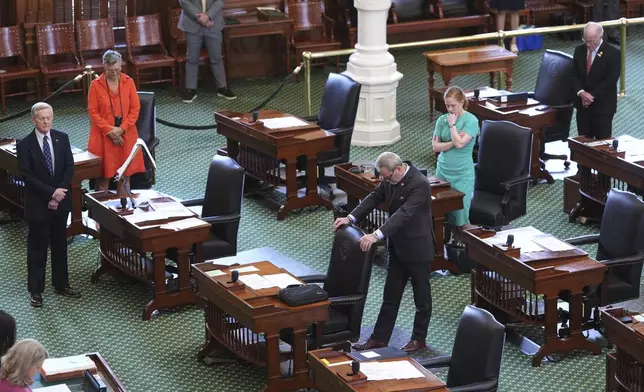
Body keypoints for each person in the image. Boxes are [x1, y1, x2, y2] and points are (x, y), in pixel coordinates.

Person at [333, 152, 434, 354]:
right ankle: (379, 338)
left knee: (421, 298)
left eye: (386, 177)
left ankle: (418, 338)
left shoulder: (419, 184)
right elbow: (374, 197)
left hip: (417, 250)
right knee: (390, 295)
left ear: (398, 169)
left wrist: (376, 235)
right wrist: (351, 218)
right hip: (397, 247)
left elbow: (403, 215)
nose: (384, 181)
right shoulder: (389, 178)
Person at [16, 103, 81, 308]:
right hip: (38, 204)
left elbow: (69, 167)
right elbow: (28, 177)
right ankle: (36, 291)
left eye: (49, 118)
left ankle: (61, 284)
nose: (46, 122)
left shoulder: (62, 138)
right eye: (42, 118)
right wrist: (51, 193)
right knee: (38, 248)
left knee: (60, 245)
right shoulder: (25, 145)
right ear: (33, 119)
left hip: (60, 202)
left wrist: (59, 193)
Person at [88, 50, 146, 194]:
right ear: (104, 67)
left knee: (125, 176)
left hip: (126, 134)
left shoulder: (129, 82)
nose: (115, 73)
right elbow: (93, 112)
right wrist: (110, 131)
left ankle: (125, 211)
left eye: (118, 69)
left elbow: (135, 109)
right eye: (111, 70)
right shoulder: (95, 85)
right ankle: (99, 213)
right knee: (103, 178)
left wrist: (121, 129)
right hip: (103, 136)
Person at [432, 86, 479, 242]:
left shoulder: (471, 121)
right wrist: (453, 140)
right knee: (440, 212)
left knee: (461, 217)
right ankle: (442, 246)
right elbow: (435, 147)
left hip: (462, 173)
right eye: (447, 105)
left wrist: (452, 126)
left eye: (453, 105)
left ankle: (463, 250)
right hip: (443, 171)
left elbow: (461, 145)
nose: (450, 109)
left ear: (461, 102)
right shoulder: (441, 120)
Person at [178, 0, 236, 103]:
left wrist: (208, 16)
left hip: (213, 22)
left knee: (216, 57)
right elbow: (184, 1)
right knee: (192, 59)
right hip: (192, 22)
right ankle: (191, 89)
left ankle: (222, 88)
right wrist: (200, 18)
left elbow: (220, 1)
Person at [571, 22, 620, 140]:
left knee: (602, 144)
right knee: (583, 143)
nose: (588, 44)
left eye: (591, 41)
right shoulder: (579, 50)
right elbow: (573, 75)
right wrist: (581, 92)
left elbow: (611, 80)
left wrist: (591, 96)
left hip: (602, 107)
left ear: (600, 37)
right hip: (583, 107)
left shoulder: (613, 54)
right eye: (585, 40)